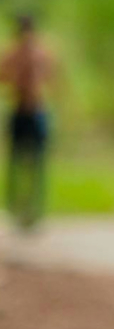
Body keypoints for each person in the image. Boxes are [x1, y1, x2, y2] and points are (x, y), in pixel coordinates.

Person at [0, 14, 59, 231]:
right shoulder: (12, 54)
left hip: (36, 112)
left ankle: (35, 210)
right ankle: (16, 208)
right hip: (19, 110)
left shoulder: (41, 53)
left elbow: (52, 79)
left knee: (37, 163)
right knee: (16, 162)